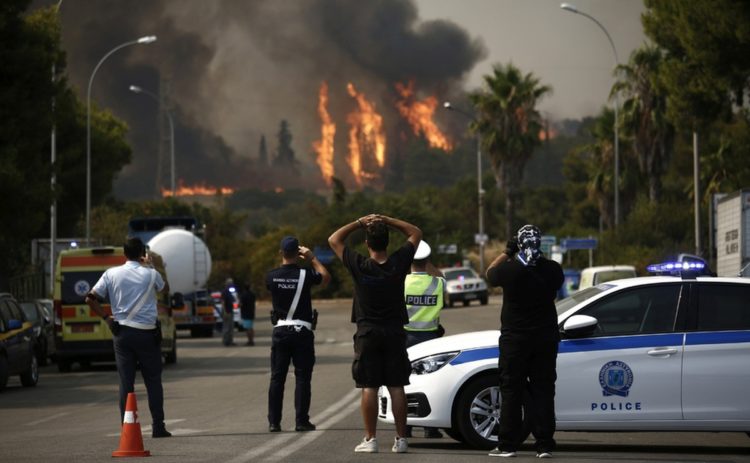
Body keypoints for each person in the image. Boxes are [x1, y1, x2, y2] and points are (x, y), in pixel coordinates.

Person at [328, 214, 422, 454]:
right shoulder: (398, 263)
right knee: (397, 385)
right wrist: (388, 220)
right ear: (387, 243)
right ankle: (401, 439)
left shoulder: (359, 264)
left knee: (369, 386)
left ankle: (370, 439)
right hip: (394, 331)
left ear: (367, 244)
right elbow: (415, 232)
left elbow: (334, 239)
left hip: (368, 331)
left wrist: (360, 223)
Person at [484, 224, 564, 458]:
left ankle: (508, 444)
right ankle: (545, 444)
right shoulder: (552, 270)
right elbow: (553, 284)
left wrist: (508, 252)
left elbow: (490, 273)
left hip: (515, 340)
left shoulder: (509, 270)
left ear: (518, 243)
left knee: (511, 391)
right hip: (545, 339)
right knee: (544, 390)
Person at [85, 237, 172, 438]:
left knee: (126, 382)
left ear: (124, 254)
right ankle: (158, 426)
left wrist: (107, 319)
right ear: (142, 253)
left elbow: (90, 298)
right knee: (153, 381)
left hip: (122, 333)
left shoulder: (111, 274)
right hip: (147, 334)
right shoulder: (151, 274)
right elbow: (165, 289)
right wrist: (150, 264)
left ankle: (127, 429)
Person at [266, 236, 331, 433]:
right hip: (302, 331)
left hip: (280, 330)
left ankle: (274, 422)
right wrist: (313, 258)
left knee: (277, 378)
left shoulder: (271, 276)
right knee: (302, 378)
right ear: (298, 254)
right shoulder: (306, 274)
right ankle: (301, 421)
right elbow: (326, 278)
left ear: (281, 253)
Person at [403, 240, 445, 439]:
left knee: (404, 381)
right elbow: (441, 276)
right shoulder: (437, 283)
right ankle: (430, 427)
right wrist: (429, 263)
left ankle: (406, 426)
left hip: (405, 338)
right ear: (427, 260)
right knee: (430, 381)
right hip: (430, 338)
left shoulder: (402, 282)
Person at [221, 278, 236, 346]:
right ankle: (225, 341)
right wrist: (225, 311)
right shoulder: (224, 292)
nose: (231, 284)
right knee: (226, 328)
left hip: (230, 311)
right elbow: (223, 302)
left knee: (231, 327)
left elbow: (233, 300)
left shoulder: (229, 292)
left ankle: (230, 341)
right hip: (227, 311)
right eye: (230, 283)